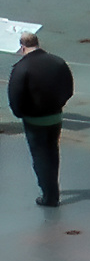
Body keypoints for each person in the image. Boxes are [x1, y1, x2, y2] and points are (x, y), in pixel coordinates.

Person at [7, 33, 73, 208]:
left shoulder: (22, 68)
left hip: (34, 120)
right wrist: (59, 104)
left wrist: (22, 114)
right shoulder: (58, 62)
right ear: (38, 43)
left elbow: (15, 96)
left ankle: (49, 196)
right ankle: (53, 189)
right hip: (55, 117)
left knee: (40, 156)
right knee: (52, 152)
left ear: (22, 47)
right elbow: (68, 89)